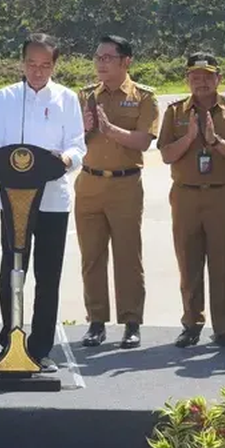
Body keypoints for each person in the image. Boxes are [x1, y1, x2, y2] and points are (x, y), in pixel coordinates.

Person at [0, 33, 86, 373]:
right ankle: (10, 340)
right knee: (10, 274)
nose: (37, 71)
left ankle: (40, 348)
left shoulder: (67, 98)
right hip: (13, 201)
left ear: (54, 65)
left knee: (47, 276)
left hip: (54, 200)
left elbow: (77, 146)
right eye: (31, 64)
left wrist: (66, 160)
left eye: (45, 65)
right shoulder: (5, 97)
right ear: (22, 62)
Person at [158, 52, 225, 350]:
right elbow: (165, 155)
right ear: (187, 79)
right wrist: (189, 138)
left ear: (218, 78)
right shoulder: (175, 112)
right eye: (194, 77)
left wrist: (214, 141)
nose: (201, 82)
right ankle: (191, 324)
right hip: (185, 194)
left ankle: (224, 328)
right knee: (188, 262)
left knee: (222, 263)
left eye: (207, 76)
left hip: (222, 194)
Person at [75, 35, 159, 349]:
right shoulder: (84, 96)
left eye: (109, 57)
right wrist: (82, 129)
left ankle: (131, 322)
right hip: (89, 183)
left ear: (126, 61)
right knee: (92, 256)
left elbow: (143, 141)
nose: (101, 63)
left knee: (128, 255)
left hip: (125, 184)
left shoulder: (143, 97)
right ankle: (96, 322)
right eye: (98, 57)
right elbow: (68, 141)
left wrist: (110, 130)